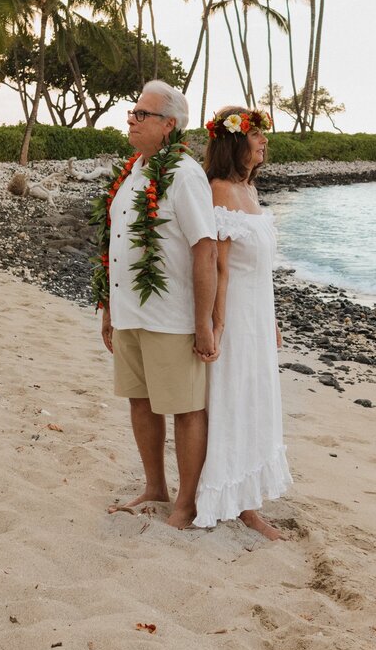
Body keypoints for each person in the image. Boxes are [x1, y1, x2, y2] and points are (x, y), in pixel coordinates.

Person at [98, 81, 218, 528]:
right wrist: (109, 308)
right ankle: (155, 487)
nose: (130, 119)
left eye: (141, 114)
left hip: (171, 316)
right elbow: (115, 245)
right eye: (132, 112)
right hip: (129, 310)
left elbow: (204, 248)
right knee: (140, 400)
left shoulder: (184, 175)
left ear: (169, 125)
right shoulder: (132, 172)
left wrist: (203, 323)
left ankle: (186, 503)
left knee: (186, 407)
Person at [194, 107, 292, 539]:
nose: (263, 143)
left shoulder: (248, 189)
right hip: (233, 318)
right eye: (256, 137)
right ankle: (236, 503)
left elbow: (262, 269)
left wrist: (271, 321)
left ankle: (247, 499)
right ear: (236, 142)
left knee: (256, 404)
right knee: (234, 404)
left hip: (257, 315)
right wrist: (216, 325)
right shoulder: (219, 190)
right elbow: (219, 267)